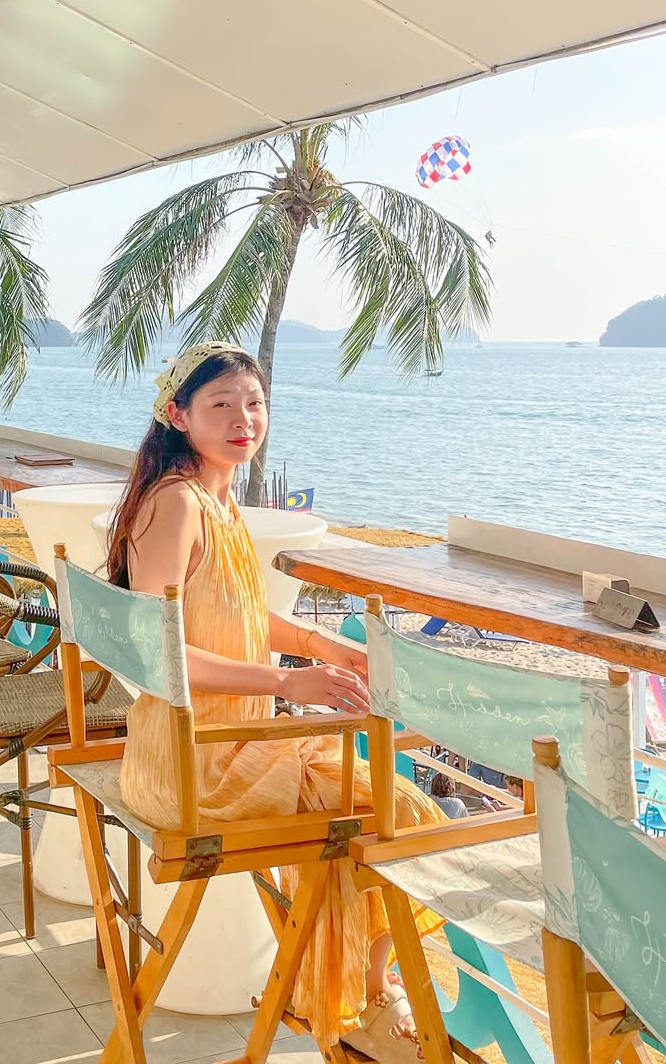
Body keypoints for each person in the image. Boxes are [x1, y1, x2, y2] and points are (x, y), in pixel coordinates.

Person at [109, 342, 443, 1059]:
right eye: (220, 405)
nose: (243, 418)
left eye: (253, 403)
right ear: (178, 415)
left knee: (374, 806)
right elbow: (158, 650)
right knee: (403, 813)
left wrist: (324, 649)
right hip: (195, 768)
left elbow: (233, 613)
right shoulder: (177, 503)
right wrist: (286, 683)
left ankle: (351, 997)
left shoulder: (215, 500)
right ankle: (366, 1004)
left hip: (221, 747)